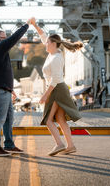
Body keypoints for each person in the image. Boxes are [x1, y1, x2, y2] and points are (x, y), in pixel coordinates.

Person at [31, 17, 83, 156]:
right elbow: (43, 36)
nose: (45, 44)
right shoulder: (53, 53)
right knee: (59, 119)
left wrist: (45, 95)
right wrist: (35, 25)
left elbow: (54, 80)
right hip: (59, 88)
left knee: (48, 120)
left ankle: (59, 144)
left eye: (47, 43)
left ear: (53, 44)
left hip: (56, 89)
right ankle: (70, 146)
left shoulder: (56, 58)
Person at [0, 20, 32, 156]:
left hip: (3, 89)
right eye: (4, 38)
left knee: (8, 119)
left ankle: (9, 145)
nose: (6, 41)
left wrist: (10, 89)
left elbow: (0, 72)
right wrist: (27, 25)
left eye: (6, 38)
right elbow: (14, 38)